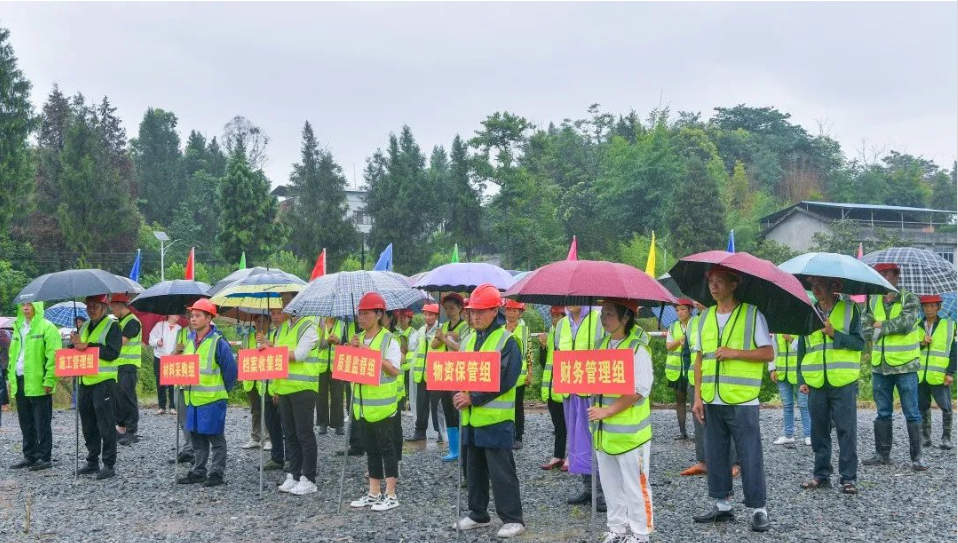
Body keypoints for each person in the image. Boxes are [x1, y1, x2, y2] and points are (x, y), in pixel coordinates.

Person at [691, 265, 772, 532]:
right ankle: (722, 505)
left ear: (734, 284)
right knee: (715, 454)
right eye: (711, 282)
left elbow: (768, 353)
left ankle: (759, 509)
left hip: (742, 400)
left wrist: (735, 352)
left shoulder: (752, 314)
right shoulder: (704, 318)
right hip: (712, 398)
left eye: (719, 281)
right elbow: (699, 359)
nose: (713, 287)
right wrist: (698, 396)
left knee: (749, 455)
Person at [451, 284, 525, 539]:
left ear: (495, 311)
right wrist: (458, 394)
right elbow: (460, 373)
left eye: (481, 311)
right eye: (473, 311)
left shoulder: (507, 341)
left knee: (501, 471)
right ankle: (477, 514)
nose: (475, 316)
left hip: (495, 419)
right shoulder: (469, 340)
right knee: (474, 470)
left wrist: (473, 398)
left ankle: (513, 518)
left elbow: (505, 380)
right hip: (471, 418)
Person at [591, 299, 655, 543]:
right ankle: (617, 529)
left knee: (635, 486)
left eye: (609, 314)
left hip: (631, 435)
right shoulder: (601, 345)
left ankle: (641, 535)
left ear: (625, 318)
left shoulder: (638, 349)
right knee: (610, 486)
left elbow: (639, 390)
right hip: (604, 434)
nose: (603, 319)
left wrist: (608, 411)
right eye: (602, 313)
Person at [796, 276, 864, 494]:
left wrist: (835, 334)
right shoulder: (808, 312)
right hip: (816, 381)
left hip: (843, 380)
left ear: (833, 286)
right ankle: (821, 474)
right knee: (818, 429)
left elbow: (859, 343)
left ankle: (848, 477)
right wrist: (801, 379)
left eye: (820, 284)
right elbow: (802, 348)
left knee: (846, 430)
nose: (815, 289)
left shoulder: (849, 309)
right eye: (812, 285)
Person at [861, 263, 926, 470]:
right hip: (880, 366)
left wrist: (879, 325)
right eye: (879, 274)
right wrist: (884, 327)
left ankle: (917, 458)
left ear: (896, 275)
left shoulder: (910, 298)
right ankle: (882, 454)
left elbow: (905, 324)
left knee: (912, 411)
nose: (882, 277)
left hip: (905, 365)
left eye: (886, 274)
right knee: (882, 412)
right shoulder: (872, 301)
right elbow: (864, 329)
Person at [261, 295, 321, 496]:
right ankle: (294, 474)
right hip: (285, 388)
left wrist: (273, 351)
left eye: (288, 301)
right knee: (290, 434)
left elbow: (300, 354)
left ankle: (308, 478)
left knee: (304, 433)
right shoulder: (283, 328)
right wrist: (276, 388)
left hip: (304, 388)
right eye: (283, 302)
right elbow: (279, 360)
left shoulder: (309, 327)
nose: (285, 306)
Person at [348, 292, 402, 512]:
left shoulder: (389, 340)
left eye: (366, 313)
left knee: (387, 449)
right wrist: (351, 350)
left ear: (379, 314)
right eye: (360, 313)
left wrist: (370, 352)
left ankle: (391, 495)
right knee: (371, 449)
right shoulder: (357, 338)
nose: (361, 317)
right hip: (362, 406)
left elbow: (394, 370)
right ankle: (374, 492)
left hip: (383, 406)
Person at [177, 299, 237, 487]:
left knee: (215, 437)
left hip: (212, 399)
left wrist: (223, 391)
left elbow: (230, 371)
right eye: (192, 316)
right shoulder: (189, 340)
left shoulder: (219, 342)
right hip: (193, 398)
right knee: (196, 437)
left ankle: (217, 473)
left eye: (198, 316)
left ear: (209, 318)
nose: (193, 319)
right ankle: (199, 471)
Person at [559, 304, 606, 510]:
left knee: (594, 440)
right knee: (577, 441)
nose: (571, 301)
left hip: (593, 391)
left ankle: (602, 492)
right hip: (570, 391)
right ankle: (588, 487)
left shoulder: (598, 319)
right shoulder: (562, 324)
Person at [71, 295, 122, 480]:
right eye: (88, 307)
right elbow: (78, 350)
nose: (91, 310)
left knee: (106, 424)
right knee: (88, 424)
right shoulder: (84, 326)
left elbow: (112, 353)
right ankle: (92, 460)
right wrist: (74, 343)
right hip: (85, 381)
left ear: (103, 307)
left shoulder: (112, 326)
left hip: (104, 382)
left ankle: (108, 464)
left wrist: (88, 345)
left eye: (94, 306)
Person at [7, 302, 60, 471]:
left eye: (29, 305)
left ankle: (44, 457)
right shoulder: (18, 327)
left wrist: (49, 380)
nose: (25, 308)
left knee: (41, 422)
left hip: (39, 382)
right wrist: (11, 378)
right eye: (23, 305)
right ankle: (29, 455)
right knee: (26, 422)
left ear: (37, 306)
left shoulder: (47, 327)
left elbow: (54, 356)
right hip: (20, 380)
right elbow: (13, 355)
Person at [433, 293, 469, 462]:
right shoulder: (445, 325)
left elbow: (461, 348)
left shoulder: (465, 326)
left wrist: (445, 339)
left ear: (460, 308)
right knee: (447, 407)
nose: (448, 311)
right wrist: (443, 335)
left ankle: (463, 447)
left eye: (452, 308)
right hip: (446, 370)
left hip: (459, 370)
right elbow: (434, 344)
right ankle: (453, 449)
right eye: (446, 309)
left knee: (457, 408)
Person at [917, 295, 956, 450]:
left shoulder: (949, 325)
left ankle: (946, 438)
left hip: (939, 375)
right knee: (922, 406)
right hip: (920, 375)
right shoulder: (916, 325)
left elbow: (954, 352)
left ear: (939, 308)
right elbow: (909, 349)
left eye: (933, 306)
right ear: (922, 308)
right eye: (926, 306)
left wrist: (950, 373)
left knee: (946, 407)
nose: (929, 309)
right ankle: (925, 437)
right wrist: (921, 343)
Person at [109, 294, 142, 446]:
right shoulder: (121, 322)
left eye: (113, 307)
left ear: (121, 305)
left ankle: (131, 430)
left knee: (127, 397)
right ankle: (121, 427)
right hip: (118, 365)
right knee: (118, 397)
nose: (112, 310)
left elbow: (120, 341)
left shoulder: (132, 322)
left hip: (128, 365)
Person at [407, 304, 442, 442]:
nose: (427, 317)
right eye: (426, 314)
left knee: (436, 405)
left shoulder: (440, 330)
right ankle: (420, 431)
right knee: (421, 404)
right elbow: (413, 347)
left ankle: (440, 432)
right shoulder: (421, 330)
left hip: (435, 373)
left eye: (431, 314)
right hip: (421, 373)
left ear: (437, 316)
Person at [538, 306, 568, 470]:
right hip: (551, 387)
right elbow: (544, 363)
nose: (554, 319)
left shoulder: (569, 333)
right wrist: (543, 347)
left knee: (571, 424)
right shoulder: (551, 333)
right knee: (558, 426)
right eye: (553, 316)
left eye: (558, 316)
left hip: (566, 386)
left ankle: (572, 456)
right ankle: (558, 455)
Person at [770, 333, 811, 445]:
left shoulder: (801, 331)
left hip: (800, 375)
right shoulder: (777, 333)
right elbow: (773, 351)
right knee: (787, 405)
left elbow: (806, 351)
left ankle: (809, 435)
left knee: (804, 405)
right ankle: (788, 435)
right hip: (782, 373)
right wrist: (772, 369)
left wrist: (791, 339)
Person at [502, 299, 531, 449]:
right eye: (509, 310)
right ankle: (506, 435)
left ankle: (518, 436)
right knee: (505, 405)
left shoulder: (524, 330)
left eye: (515, 311)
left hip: (519, 376)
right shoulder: (500, 329)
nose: (511, 314)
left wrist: (530, 373)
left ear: (520, 313)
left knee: (518, 406)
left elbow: (529, 353)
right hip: (503, 375)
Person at [665, 299, 695, 440]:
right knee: (680, 401)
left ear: (690, 310)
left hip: (693, 369)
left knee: (696, 401)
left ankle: (700, 433)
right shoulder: (672, 327)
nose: (679, 312)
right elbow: (669, 346)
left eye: (683, 309)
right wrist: (680, 340)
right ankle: (683, 432)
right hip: (677, 371)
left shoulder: (696, 324)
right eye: (677, 310)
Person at [240, 315, 269, 449]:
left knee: (268, 410)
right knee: (255, 410)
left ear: (268, 322)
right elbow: (243, 354)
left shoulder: (273, 336)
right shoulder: (248, 337)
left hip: (266, 380)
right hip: (251, 379)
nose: (260, 323)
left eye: (263, 321)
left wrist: (266, 342)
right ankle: (255, 438)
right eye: (257, 321)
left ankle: (269, 438)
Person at [148, 314, 181, 415]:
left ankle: (172, 406)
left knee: (172, 383)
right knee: (160, 381)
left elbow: (181, 344)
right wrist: (157, 342)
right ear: (170, 315)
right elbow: (151, 340)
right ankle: (161, 406)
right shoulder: (160, 325)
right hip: (159, 357)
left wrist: (176, 352)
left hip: (172, 357)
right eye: (176, 313)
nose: (178, 315)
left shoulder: (179, 328)